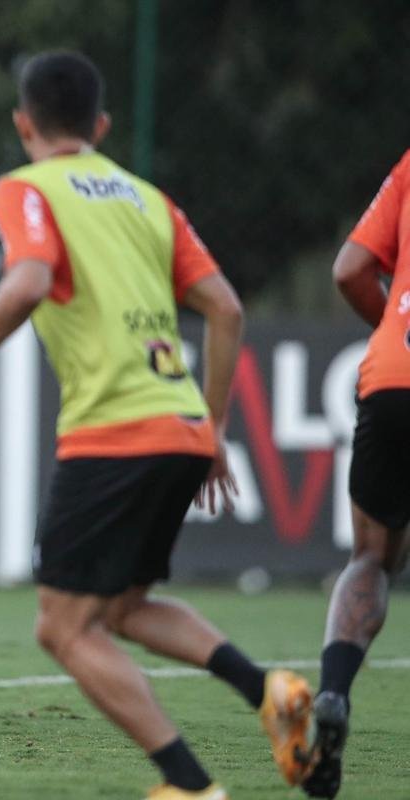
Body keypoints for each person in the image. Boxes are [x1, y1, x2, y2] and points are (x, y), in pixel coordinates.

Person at [0, 51, 312, 799]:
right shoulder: (147, 199)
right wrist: (210, 427)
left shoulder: (25, 187)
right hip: (177, 425)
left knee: (62, 629)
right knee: (123, 608)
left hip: (112, 432)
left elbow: (31, 276)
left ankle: (190, 784)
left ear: (22, 124)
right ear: (100, 126)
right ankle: (267, 690)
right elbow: (226, 309)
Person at [300, 150, 410, 799]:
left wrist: (391, 332)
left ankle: (334, 690)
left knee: (368, 556)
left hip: (393, 374)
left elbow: (348, 270)